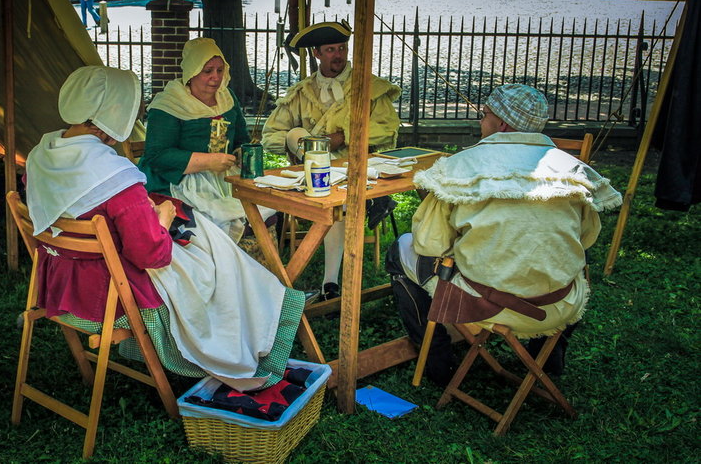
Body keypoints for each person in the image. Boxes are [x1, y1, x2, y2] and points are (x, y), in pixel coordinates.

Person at [24, 65, 305, 391]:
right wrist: (163, 218)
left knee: (209, 249)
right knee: (215, 263)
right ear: (115, 113)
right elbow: (151, 255)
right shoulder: (113, 175)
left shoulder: (39, 157)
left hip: (59, 285)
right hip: (111, 296)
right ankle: (253, 336)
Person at [386, 84, 622, 385]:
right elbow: (586, 238)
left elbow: (429, 243)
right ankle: (546, 357)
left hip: (486, 304)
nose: (480, 121)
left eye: (484, 115)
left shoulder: (458, 168)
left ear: (502, 124)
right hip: (559, 305)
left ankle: (437, 362)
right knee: (576, 260)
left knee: (401, 248)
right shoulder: (572, 170)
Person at [261, 20, 402, 300]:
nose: (338, 54)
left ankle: (330, 283)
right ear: (317, 54)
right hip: (312, 169)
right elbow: (270, 135)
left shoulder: (367, 87)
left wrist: (344, 137)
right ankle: (320, 282)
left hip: (355, 168)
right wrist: (298, 144)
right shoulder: (302, 92)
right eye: (330, 49)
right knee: (300, 138)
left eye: (341, 48)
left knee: (335, 199)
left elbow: (388, 129)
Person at [138, 38, 277, 249]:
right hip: (176, 182)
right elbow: (156, 155)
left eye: (220, 70)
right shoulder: (169, 103)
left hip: (223, 179)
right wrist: (208, 161)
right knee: (218, 218)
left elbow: (241, 138)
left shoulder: (227, 98)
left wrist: (240, 153)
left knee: (264, 208)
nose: (215, 77)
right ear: (192, 72)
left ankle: (254, 272)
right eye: (208, 71)